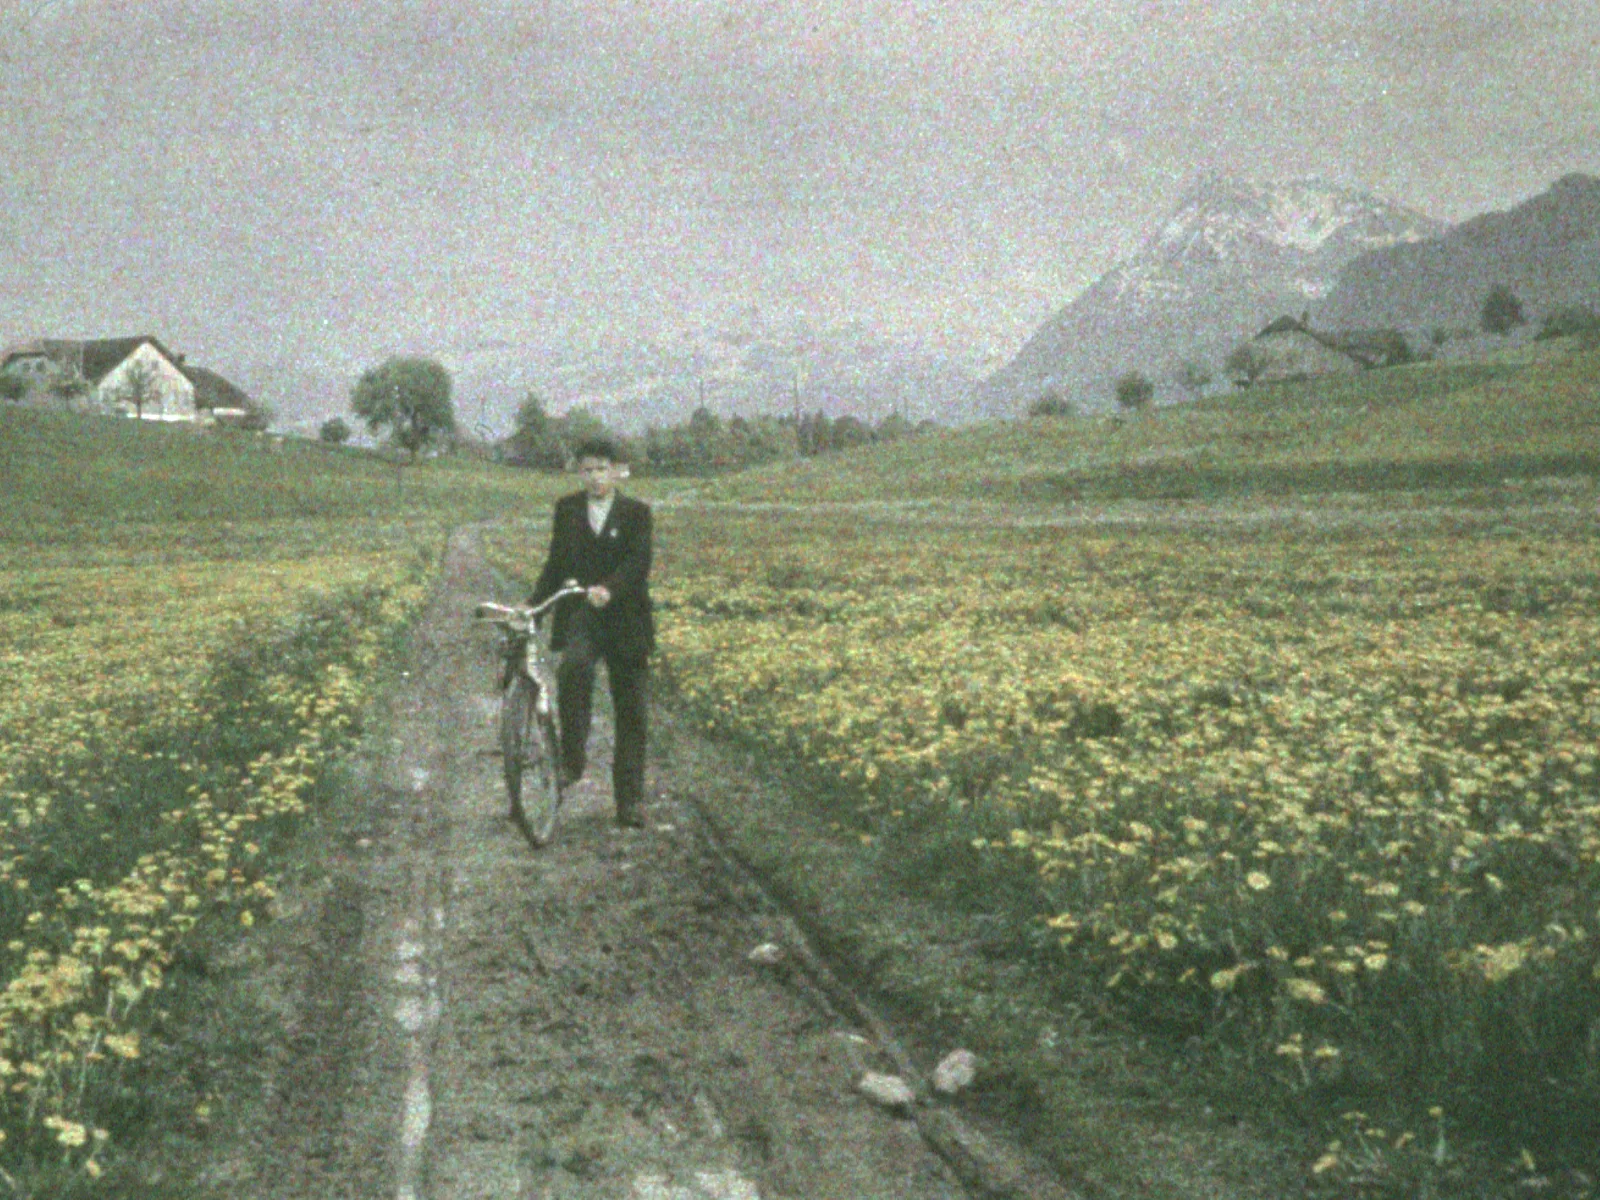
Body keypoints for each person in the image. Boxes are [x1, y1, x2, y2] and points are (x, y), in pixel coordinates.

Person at [528, 437, 655, 828]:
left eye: (602, 468)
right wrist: (533, 607)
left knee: (631, 710)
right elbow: (555, 563)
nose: (595, 477)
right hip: (583, 614)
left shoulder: (637, 513)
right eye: (588, 469)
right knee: (573, 669)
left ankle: (629, 801)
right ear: (578, 471)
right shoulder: (566, 510)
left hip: (627, 619)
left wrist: (610, 588)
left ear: (617, 471)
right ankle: (573, 759)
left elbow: (639, 562)